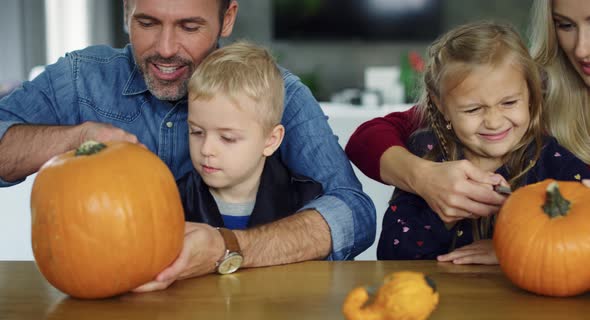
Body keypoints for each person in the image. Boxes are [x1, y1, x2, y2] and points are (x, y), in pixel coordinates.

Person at [0, 0, 375, 291]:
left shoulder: (278, 93)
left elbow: (353, 213)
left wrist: (229, 248)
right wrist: (76, 139)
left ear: (227, 18)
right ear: (126, 9)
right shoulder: (80, 78)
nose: (165, 48)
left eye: (189, 26)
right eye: (146, 23)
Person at [347, 0, 590, 247]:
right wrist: (424, 178)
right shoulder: (429, 147)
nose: (494, 122)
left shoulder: (552, 159)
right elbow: (365, 139)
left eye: (508, 103)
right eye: (565, 24)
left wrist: (509, 251)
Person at [177, 41, 323, 231]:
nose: (206, 149)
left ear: (271, 140)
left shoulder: (306, 201)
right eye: (196, 132)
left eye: (227, 138)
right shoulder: (173, 199)